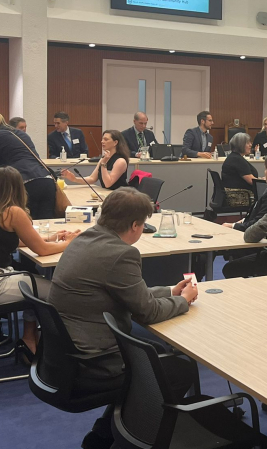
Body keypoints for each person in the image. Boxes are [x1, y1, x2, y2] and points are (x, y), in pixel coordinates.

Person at [47, 188, 198, 449]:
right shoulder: (121, 253)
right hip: (93, 360)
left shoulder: (84, 240)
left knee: (159, 353)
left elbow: (127, 294)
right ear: (136, 225)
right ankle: (130, 439)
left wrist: (170, 292)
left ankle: (104, 434)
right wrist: (183, 301)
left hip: (63, 354)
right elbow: (148, 312)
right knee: (176, 368)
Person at [0, 167, 80, 355]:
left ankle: (29, 336)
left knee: (34, 282)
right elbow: (41, 251)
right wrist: (70, 243)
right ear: (19, 187)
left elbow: (7, 239)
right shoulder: (13, 212)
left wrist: (51, 238)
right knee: (56, 291)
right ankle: (57, 345)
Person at [0, 111, 58, 220]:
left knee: (25, 224)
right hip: (46, 181)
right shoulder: (22, 134)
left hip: (25, 183)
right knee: (45, 224)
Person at [223, 153, 267, 232]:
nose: (264, 172)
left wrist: (233, 226)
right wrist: (239, 222)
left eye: (265, 169)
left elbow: (258, 223)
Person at [61, 130, 129, 190]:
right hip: (106, 194)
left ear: (115, 142)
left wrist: (103, 164)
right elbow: (92, 179)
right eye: (102, 139)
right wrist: (74, 179)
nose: (102, 141)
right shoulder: (103, 159)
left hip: (119, 196)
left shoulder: (120, 161)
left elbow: (108, 184)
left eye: (106, 139)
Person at [221, 132, 258, 206]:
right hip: (241, 195)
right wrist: (266, 181)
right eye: (248, 143)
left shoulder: (233, 157)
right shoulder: (237, 160)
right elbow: (252, 181)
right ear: (241, 145)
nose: (251, 145)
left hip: (235, 193)